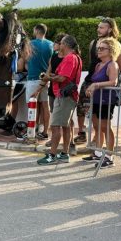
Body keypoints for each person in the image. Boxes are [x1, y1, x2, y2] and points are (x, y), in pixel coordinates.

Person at [75, 17, 121, 144]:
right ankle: (95, 147)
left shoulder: (115, 45)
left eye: (102, 27)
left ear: (110, 29)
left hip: (104, 87)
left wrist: (106, 78)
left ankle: (102, 150)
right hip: (90, 82)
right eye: (98, 27)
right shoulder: (93, 43)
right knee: (90, 116)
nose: (98, 29)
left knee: (104, 123)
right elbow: (92, 63)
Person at [37, 35, 82, 165]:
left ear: (66, 45)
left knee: (55, 126)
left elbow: (62, 78)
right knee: (65, 126)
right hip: (67, 96)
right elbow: (64, 77)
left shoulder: (69, 58)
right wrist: (50, 76)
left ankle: (52, 155)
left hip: (64, 97)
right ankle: (64, 154)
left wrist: (48, 78)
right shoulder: (75, 57)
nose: (59, 45)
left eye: (61, 43)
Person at [84, 37, 121, 168]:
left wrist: (96, 84)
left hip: (107, 100)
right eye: (98, 48)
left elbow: (113, 82)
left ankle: (109, 156)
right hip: (96, 100)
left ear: (110, 50)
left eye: (102, 48)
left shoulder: (112, 64)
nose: (98, 50)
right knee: (97, 126)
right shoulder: (98, 65)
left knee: (105, 127)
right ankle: (98, 153)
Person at [25, 24, 53, 140]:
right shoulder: (51, 45)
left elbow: (25, 60)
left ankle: (32, 131)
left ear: (36, 31)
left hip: (32, 78)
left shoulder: (30, 44)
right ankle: (45, 131)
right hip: (46, 79)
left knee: (32, 105)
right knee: (45, 106)